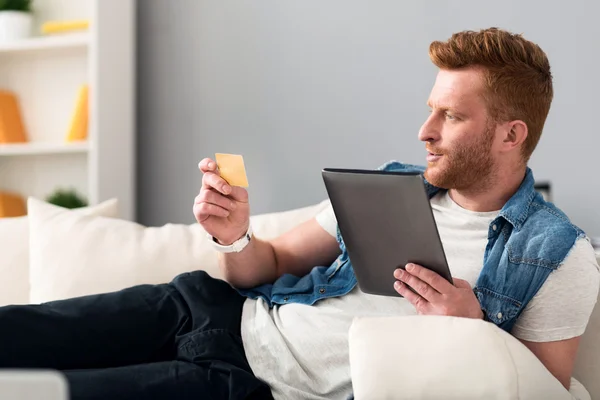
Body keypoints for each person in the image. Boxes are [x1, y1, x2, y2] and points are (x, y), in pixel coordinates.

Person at [1, 27, 599, 400]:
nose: (425, 131)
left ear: (510, 134)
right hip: (208, 310)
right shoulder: (389, 188)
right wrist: (236, 238)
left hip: (248, 384)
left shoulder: (558, 253)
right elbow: (271, 263)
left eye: (453, 117)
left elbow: (545, 388)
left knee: (43, 395)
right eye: (431, 109)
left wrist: (474, 332)